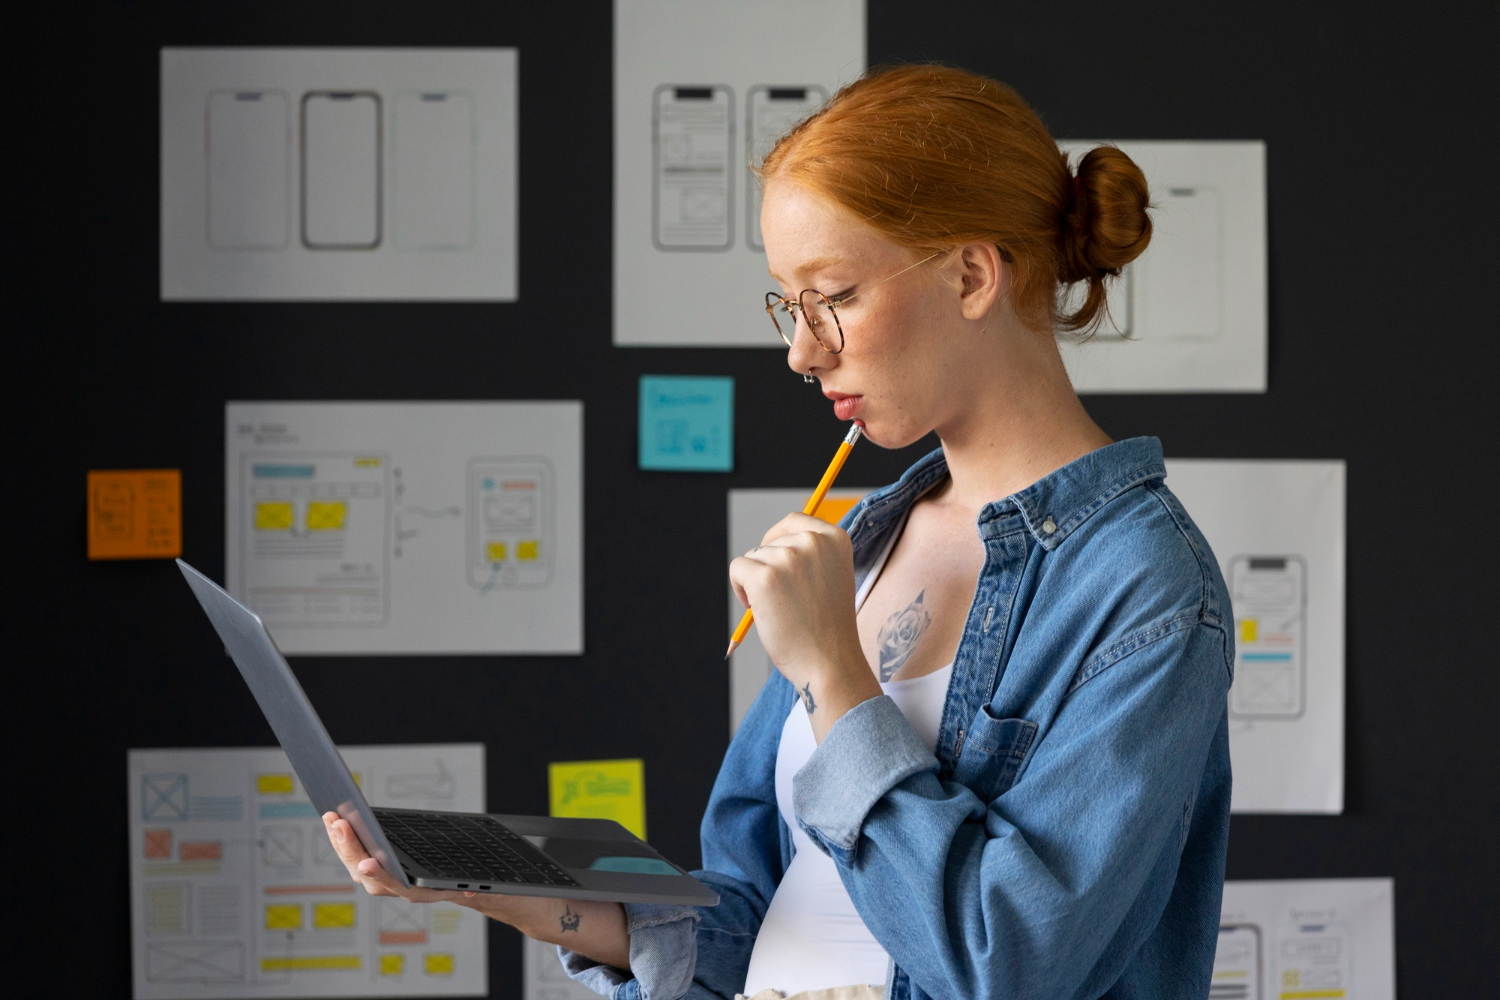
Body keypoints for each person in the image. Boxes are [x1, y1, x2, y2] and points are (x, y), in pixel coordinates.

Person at [323, 63, 1233, 1000]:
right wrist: (513, 890)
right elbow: (756, 908)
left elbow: (1011, 962)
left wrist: (838, 677)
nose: (802, 352)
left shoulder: (1146, 582)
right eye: (787, 305)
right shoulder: (871, 541)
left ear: (971, 274)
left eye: (832, 295)